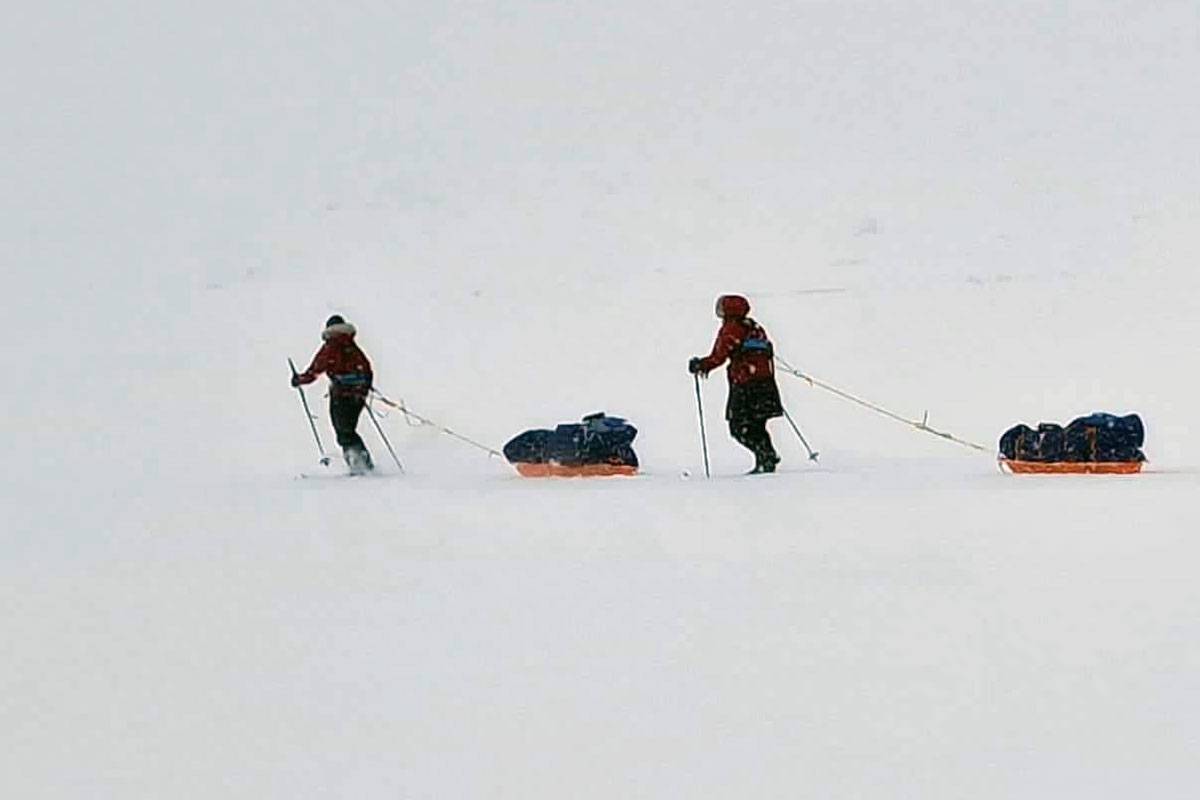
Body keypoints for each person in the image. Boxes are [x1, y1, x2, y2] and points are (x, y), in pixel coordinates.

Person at [689, 294, 783, 474]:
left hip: (745, 384)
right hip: (765, 383)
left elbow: (719, 356)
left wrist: (700, 365)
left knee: (739, 426)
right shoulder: (753, 326)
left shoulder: (731, 329)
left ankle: (766, 456)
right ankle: (766, 458)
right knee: (757, 424)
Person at [292, 315, 375, 473]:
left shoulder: (331, 346)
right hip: (358, 394)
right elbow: (367, 369)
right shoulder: (352, 346)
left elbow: (315, 370)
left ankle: (359, 464)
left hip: (341, 394)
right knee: (348, 428)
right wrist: (363, 388)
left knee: (342, 429)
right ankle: (361, 461)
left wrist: (299, 380)